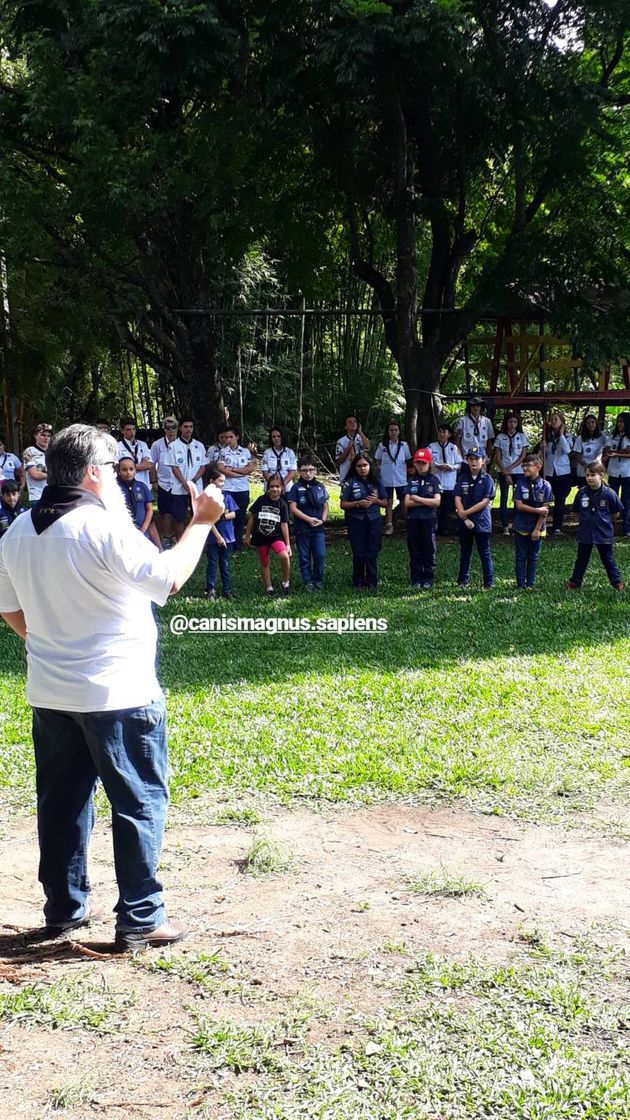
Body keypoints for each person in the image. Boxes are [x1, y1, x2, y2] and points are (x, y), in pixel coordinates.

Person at [0, 423, 224, 951]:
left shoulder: (16, 532)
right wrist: (201, 521)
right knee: (138, 802)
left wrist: (55, 640)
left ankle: (64, 910)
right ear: (94, 473)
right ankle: (142, 918)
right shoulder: (101, 528)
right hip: (119, 693)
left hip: (51, 692)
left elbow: (9, 608)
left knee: (61, 806)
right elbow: (167, 578)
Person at [567, 462, 624, 591]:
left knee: (608, 559)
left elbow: (616, 513)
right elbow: (576, 512)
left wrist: (605, 523)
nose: (589, 478)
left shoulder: (609, 493)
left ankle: (616, 582)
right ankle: (575, 582)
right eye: (587, 475)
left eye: (593, 475)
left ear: (601, 476)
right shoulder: (581, 493)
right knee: (581, 560)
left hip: (603, 533)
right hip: (585, 532)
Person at [339, 453, 387, 590]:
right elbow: (343, 504)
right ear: (355, 467)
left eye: (365, 465)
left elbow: (386, 503)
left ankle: (372, 581)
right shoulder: (350, 482)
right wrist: (358, 503)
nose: (362, 468)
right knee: (359, 552)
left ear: (370, 466)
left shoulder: (377, 482)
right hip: (356, 521)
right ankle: (358, 581)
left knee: (372, 551)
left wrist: (375, 501)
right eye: (359, 466)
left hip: (373, 520)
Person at [454, 447, 495, 589]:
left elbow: (485, 502)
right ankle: (462, 581)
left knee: (484, 552)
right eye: (470, 459)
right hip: (464, 522)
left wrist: (465, 513)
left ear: (483, 461)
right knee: (465, 552)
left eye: (477, 459)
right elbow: (458, 498)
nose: (473, 462)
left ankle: (489, 583)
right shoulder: (463, 478)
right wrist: (464, 518)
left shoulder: (487, 479)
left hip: (481, 521)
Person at [245, 473, 291, 596]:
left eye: (277, 486)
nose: (274, 489)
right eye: (272, 486)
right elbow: (252, 518)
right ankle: (268, 587)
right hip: (260, 536)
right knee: (264, 561)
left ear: (282, 488)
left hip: (276, 536)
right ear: (268, 487)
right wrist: (247, 535)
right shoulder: (261, 500)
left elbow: (284, 524)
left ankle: (285, 581)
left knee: (284, 556)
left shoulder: (283, 504)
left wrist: (288, 544)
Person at [287, 456, 329, 591]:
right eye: (304, 470)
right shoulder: (296, 487)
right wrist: (308, 519)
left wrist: (322, 520)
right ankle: (308, 581)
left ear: (316, 471)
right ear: (299, 471)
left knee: (320, 554)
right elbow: (293, 508)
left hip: (318, 528)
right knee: (304, 556)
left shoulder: (320, 486)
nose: (308, 473)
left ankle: (318, 579)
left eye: (311, 470)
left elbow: (325, 505)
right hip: (303, 527)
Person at [512, 454, 553, 590]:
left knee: (533, 557)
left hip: (537, 527)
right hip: (521, 526)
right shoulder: (520, 482)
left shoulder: (546, 485)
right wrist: (538, 510)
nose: (525, 468)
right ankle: (520, 585)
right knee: (521, 556)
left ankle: (530, 584)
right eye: (523, 466)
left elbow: (545, 511)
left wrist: (537, 529)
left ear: (538, 467)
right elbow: (519, 506)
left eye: (528, 466)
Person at [404, 449, 441, 590]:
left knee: (429, 549)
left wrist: (418, 499)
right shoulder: (412, 480)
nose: (421, 466)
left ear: (429, 463)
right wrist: (427, 501)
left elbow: (437, 502)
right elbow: (407, 502)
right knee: (414, 549)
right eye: (418, 463)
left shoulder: (434, 480)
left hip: (428, 519)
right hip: (413, 519)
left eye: (423, 463)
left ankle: (428, 578)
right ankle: (416, 579)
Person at [217, 426, 255, 553]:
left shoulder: (245, 451)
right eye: (227, 437)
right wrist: (239, 473)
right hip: (228, 488)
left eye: (231, 437)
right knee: (228, 516)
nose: (228, 439)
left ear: (237, 437)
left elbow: (249, 469)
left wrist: (232, 469)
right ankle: (229, 542)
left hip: (242, 488)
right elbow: (222, 469)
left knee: (240, 516)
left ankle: (238, 544)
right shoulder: (223, 452)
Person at [150, 415, 186, 547]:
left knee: (179, 515)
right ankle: (166, 537)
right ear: (164, 429)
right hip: (164, 483)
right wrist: (154, 481)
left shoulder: (182, 444)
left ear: (178, 428)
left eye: (174, 427)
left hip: (180, 484)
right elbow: (151, 463)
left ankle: (180, 541)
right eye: (167, 428)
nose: (171, 430)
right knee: (165, 513)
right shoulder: (157, 445)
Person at [204, 466, 237, 600]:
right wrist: (218, 536)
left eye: (224, 481)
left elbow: (233, 513)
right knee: (212, 563)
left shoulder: (227, 496)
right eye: (220, 481)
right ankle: (210, 590)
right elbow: (208, 521)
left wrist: (220, 516)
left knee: (225, 564)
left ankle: (227, 590)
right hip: (213, 537)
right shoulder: (206, 499)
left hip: (228, 537)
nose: (223, 484)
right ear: (212, 481)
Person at [493, 412, 528, 536]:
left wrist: (511, 468)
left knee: (517, 498)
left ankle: (516, 524)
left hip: (518, 471)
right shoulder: (500, 437)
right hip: (503, 471)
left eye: (515, 422)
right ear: (506, 423)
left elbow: (523, 456)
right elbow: (497, 457)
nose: (512, 424)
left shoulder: (522, 436)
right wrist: (505, 472)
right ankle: (505, 525)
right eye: (510, 422)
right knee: (503, 498)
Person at [374, 420, 412, 535]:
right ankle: (389, 525)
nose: (394, 432)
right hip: (387, 479)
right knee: (388, 501)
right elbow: (378, 459)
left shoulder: (404, 445)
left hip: (401, 478)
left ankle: (408, 524)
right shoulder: (382, 445)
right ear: (388, 431)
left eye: (396, 430)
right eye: (391, 430)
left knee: (404, 501)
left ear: (399, 431)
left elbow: (407, 459)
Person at [543, 410, 574, 538]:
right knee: (546, 500)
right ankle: (543, 525)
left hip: (562, 472)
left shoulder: (567, 436)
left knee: (560, 501)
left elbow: (567, 450)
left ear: (562, 422)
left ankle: (557, 527)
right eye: (552, 419)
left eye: (556, 419)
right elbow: (544, 454)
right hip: (549, 472)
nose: (553, 422)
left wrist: (561, 435)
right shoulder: (547, 436)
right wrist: (542, 447)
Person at [428, 423, 462, 535]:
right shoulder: (431, 447)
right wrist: (436, 465)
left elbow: (459, 464)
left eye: (444, 432)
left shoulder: (453, 447)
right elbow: (426, 460)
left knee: (447, 507)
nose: (442, 434)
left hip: (449, 482)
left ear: (449, 434)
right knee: (436, 507)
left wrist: (450, 467)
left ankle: (446, 528)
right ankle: (435, 527)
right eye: (440, 432)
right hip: (436, 480)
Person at [603, 412, 630, 536]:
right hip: (613, 472)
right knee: (611, 498)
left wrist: (617, 454)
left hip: (627, 472)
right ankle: (609, 525)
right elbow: (607, 450)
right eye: (618, 421)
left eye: (622, 422)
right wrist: (620, 452)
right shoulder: (613, 436)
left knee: (627, 500)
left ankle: (626, 528)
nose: (619, 424)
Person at [116, 457, 155, 539]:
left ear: (135, 470)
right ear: (118, 472)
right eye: (124, 470)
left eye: (131, 469)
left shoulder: (142, 486)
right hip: (122, 531)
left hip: (141, 530)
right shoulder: (115, 488)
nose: (128, 472)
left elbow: (149, 509)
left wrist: (143, 529)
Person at [117, 417, 152, 488]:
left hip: (144, 485)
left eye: (134, 429)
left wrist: (128, 467)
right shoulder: (117, 446)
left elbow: (149, 465)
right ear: (122, 431)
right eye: (128, 430)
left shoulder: (143, 445)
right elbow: (118, 468)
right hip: (127, 487)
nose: (132, 432)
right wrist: (141, 465)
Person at [22, 422, 52, 503]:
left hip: (53, 495)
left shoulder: (53, 452)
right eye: (43, 435)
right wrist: (54, 475)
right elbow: (35, 474)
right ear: (35, 435)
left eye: (48, 436)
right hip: (37, 496)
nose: (46, 438)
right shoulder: (29, 451)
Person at [335, 415, 371, 483]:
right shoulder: (341, 441)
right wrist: (348, 449)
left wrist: (360, 432)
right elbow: (339, 461)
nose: (353, 424)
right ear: (345, 427)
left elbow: (367, 447)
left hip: (361, 474)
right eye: (350, 422)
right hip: (346, 473)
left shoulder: (361, 438)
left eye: (354, 421)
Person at [260, 428, 298, 493]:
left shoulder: (290, 452)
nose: (276, 439)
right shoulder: (267, 453)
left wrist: (282, 485)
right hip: (271, 488)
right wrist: (273, 485)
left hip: (287, 488)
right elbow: (265, 471)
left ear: (282, 437)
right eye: (274, 437)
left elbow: (292, 471)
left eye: (278, 436)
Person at [572, 413, 607, 481]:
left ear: (596, 423)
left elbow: (606, 451)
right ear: (585, 425)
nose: (590, 424)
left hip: (597, 469)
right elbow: (577, 455)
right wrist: (587, 466)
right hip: (583, 470)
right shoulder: (580, 438)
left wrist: (598, 463)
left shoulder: (602, 436)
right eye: (588, 423)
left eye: (592, 422)